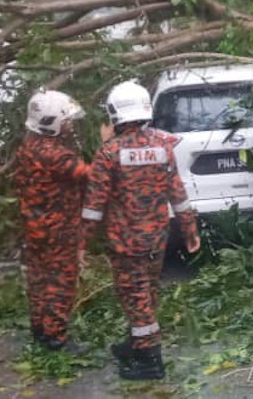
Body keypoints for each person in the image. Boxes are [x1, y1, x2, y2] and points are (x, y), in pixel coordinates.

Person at [81, 81, 200, 381]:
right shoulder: (162, 146)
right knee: (147, 292)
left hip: (126, 244)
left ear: (115, 114)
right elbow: (178, 194)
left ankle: (150, 361)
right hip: (156, 240)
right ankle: (137, 343)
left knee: (135, 297)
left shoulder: (108, 154)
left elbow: (93, 207)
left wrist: (81, 243)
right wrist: (189, 230)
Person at [14, 90, 91, 353]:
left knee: (38, 279)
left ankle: (39, 328)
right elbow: (90, 175)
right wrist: (110, 144)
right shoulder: (55, 154)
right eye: (66, 119)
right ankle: (56, 337)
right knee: (61, 282)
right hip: (58, 230)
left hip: (35, 228)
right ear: (51, 121)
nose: (71, 124)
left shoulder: (29, 146)